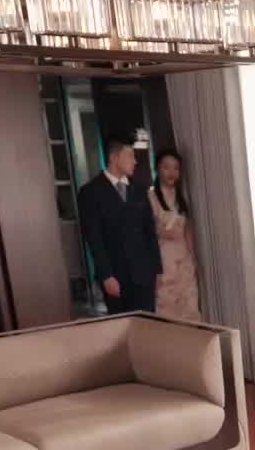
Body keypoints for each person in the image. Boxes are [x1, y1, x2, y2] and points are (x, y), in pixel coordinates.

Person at [77, 136, 162, 315]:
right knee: (123, 324)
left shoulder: (139, 189)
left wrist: (156, 269)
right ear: (114, 157)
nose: (135, 161)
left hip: (144, 274)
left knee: (148, 323)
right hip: (116, 275)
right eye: (130, 155)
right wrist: (106, 275)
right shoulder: (90, 192)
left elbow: (150, 231)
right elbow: (94, 238)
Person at [147, 146, 201, 320]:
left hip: (184, 258)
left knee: (190, 305)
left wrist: (193, 258)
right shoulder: (150, 197)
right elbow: (145, 231)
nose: (172, 172)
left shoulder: (182, 196)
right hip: (163, 259)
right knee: (167, 306)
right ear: (157, 169)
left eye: (176, 168)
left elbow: (188, 230)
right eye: (166, 167)